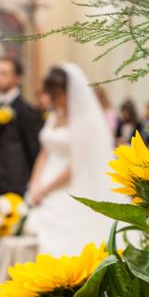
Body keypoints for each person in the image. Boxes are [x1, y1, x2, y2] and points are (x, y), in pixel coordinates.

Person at [28, 63, 118, 256]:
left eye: (57, 95)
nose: (54, 100)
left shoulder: (86, 123)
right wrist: (35, 182)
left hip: (67, 186)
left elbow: (75, 166)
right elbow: (45, 153)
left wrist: (45, 189)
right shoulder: (54, 117)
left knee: (62, 246)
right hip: (43, 185)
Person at [0, 57, 43, 197]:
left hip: (17, 180)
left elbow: (33, 148)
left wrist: (33, 181)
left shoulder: (25, 111)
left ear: (17, 78)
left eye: (4, 74)